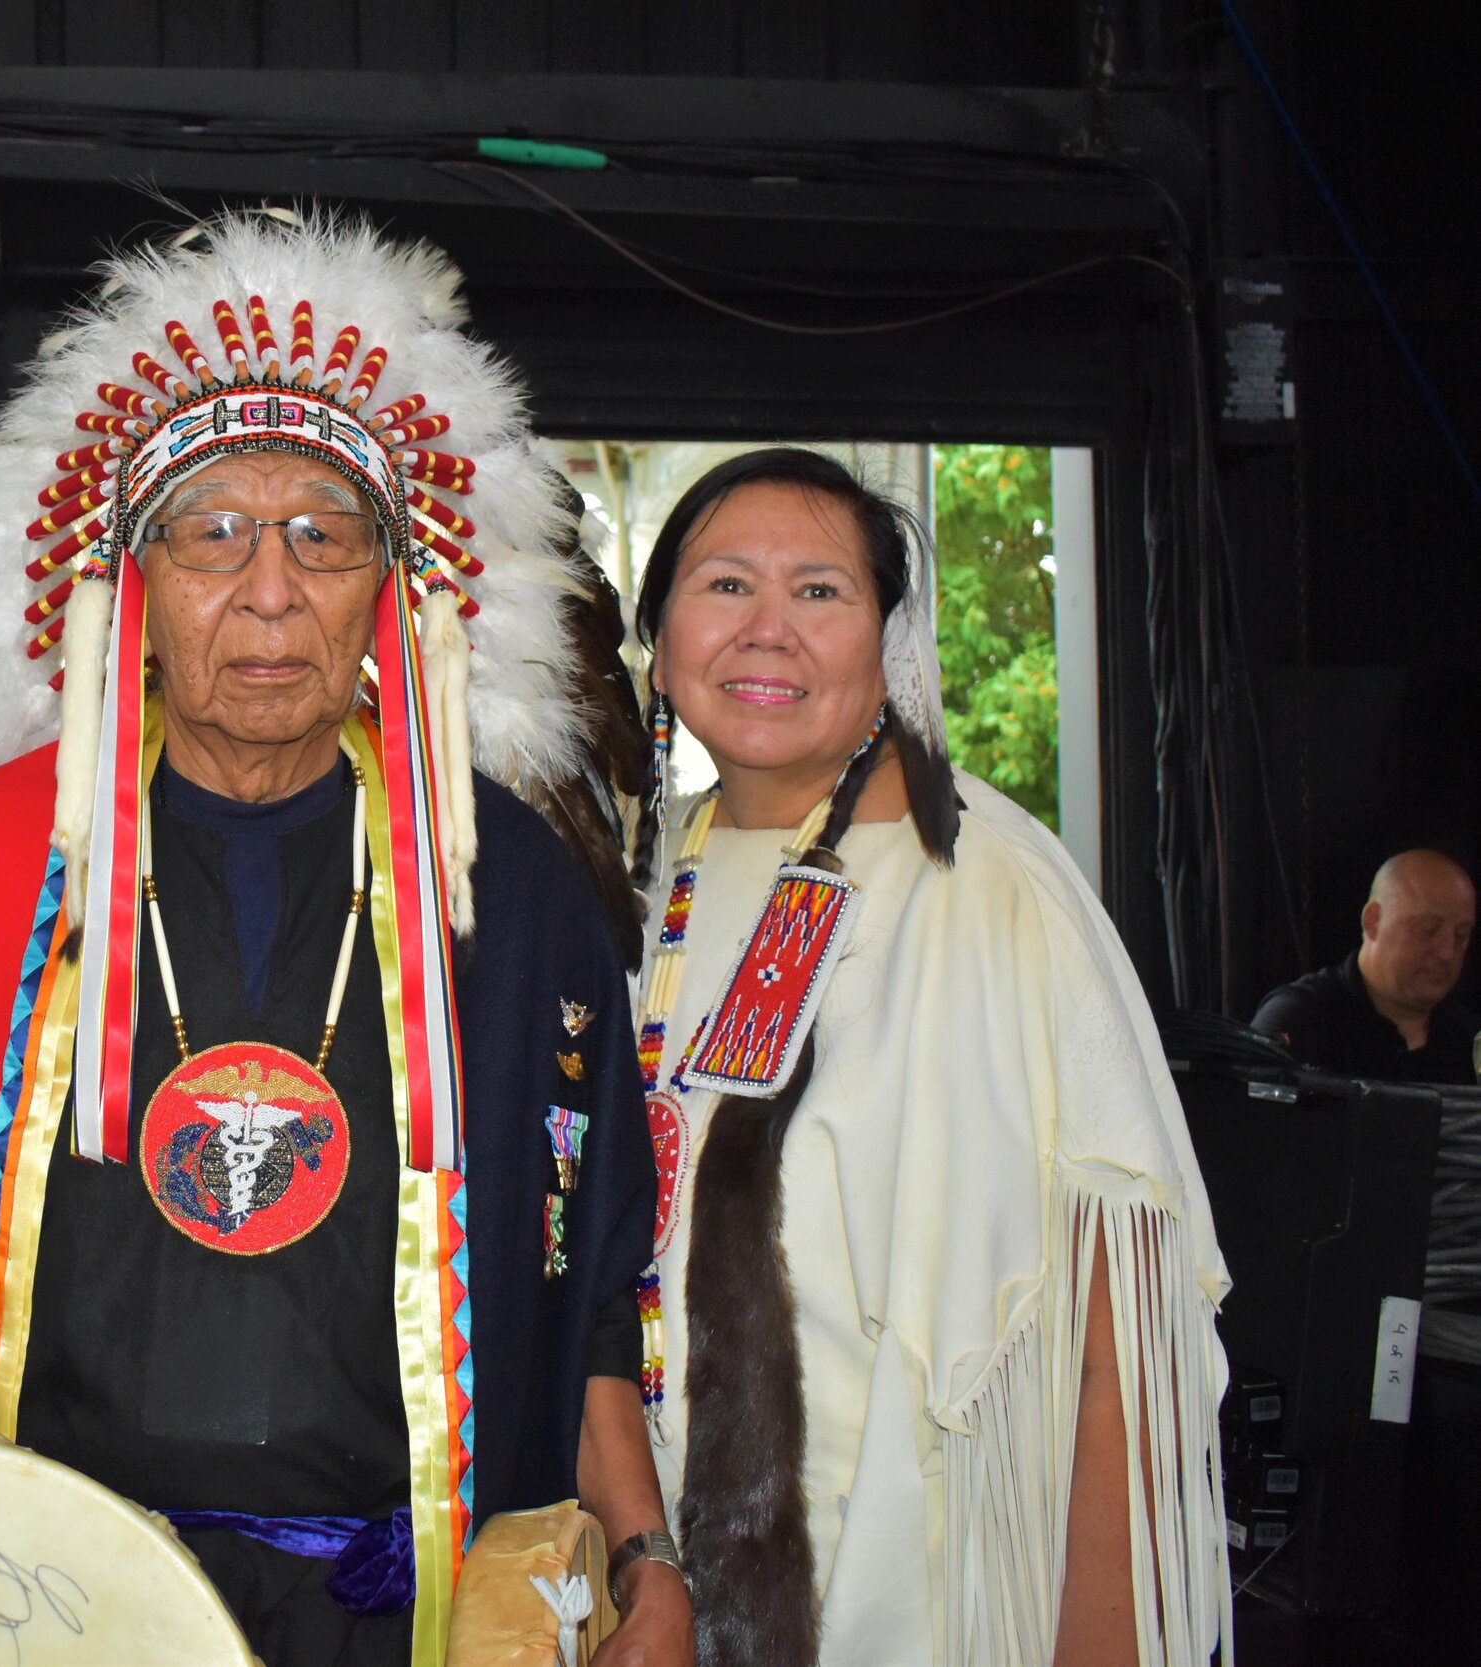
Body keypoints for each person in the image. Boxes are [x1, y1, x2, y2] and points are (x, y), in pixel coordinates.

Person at [0, 213, 687, 1666]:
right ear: (132, 581)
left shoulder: (510, 888)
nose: (270, 592)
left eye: (325, 537)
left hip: (399, 1603)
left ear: (395, 593)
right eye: (214, 531)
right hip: (37, 1594)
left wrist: (646, 1547)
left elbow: (586, 1268)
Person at [629, 449, 1231, 1667]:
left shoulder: (987, 887)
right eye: (724, 583)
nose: (767, 629)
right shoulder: (644, 875)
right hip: (673, 1585)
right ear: (658, 630)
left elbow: (1118, 1316)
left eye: (819, 591)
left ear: (889, 638)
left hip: (930, 1589)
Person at [1252, 849, 1478, 1084]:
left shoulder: (1468, 1037)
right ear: (1373, 921)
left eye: (1461, 936)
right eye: (1427, 929)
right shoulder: (1299, 1023)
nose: (1446, 952)